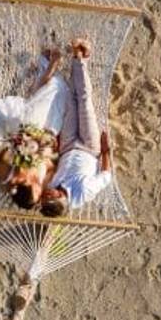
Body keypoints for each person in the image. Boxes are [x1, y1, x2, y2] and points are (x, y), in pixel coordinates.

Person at [0, 47, 69, 208]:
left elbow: (1, 152)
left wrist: (21, 143)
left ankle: (48, 68)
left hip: (19, 132)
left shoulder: (6, 175)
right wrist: (45, 146)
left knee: (33, 114)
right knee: (57, 97)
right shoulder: (44, 182)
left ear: (27, 184)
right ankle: (45, 68)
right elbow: (53, 162)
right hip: (48, 134)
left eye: (36, 192)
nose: (41, 192)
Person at [40, 39, 113, 217]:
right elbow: (106, 176)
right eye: (47, 196)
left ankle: (73, 59)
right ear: (57, 197)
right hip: (90, 147)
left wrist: (55, 144)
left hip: (67, 145)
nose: (46, 193)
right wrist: (105, 150)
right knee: (85, 101)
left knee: (70, 101)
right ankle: (80, 57)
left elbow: (53, 166)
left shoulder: (51, 185)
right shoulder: (83, 192)